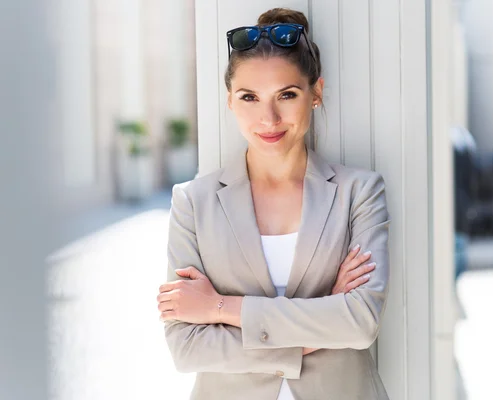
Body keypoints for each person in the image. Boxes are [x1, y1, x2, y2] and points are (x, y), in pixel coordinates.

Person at [156, 8, 391, 400]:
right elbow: (186, 347)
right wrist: (326, 312)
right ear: (230, 100)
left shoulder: (359, 192)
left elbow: (361, 322)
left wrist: (219, 308)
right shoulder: (193, 202)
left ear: (315, 94)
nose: (268, 117)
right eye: (249, 97)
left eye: (287, 95)